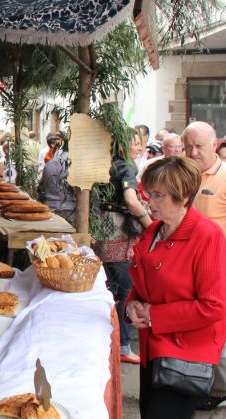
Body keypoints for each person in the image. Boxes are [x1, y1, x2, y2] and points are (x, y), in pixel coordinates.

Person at [126, 156, 226, 419]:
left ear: (183, 197)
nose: (149, 202)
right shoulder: (155, 230)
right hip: (154, 347)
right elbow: (143, 283)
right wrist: (132, 307)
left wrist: (154, 316)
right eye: (148, 193)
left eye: (158, 196)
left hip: (188, 353)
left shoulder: (207, 235)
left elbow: (213, 306)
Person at [185, 121, 226, 408]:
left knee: (214, 327)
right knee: (196, 326)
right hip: (188, 266)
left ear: (214, 144)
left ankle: (221, 388)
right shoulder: (186, 175)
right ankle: (202, 384)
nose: (193, 152)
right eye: (189, 147)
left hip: (219, 267)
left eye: (199, 146)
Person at [93, 129, 152, 365]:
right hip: (119, 232)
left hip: (101, 230)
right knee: (127, 290)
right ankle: (123, 346)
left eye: (140, 143)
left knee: (108, 288)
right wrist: (149, 223)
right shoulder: (127, 167)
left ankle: (107, 340)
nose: (139, 147)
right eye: (135, 143)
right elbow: (130, 199)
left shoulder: (104, 163)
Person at [37, 132, 75, 223]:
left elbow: (41, 188)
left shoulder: (50, 164)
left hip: (50, 208)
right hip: (70, 210)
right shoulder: (75, 165)